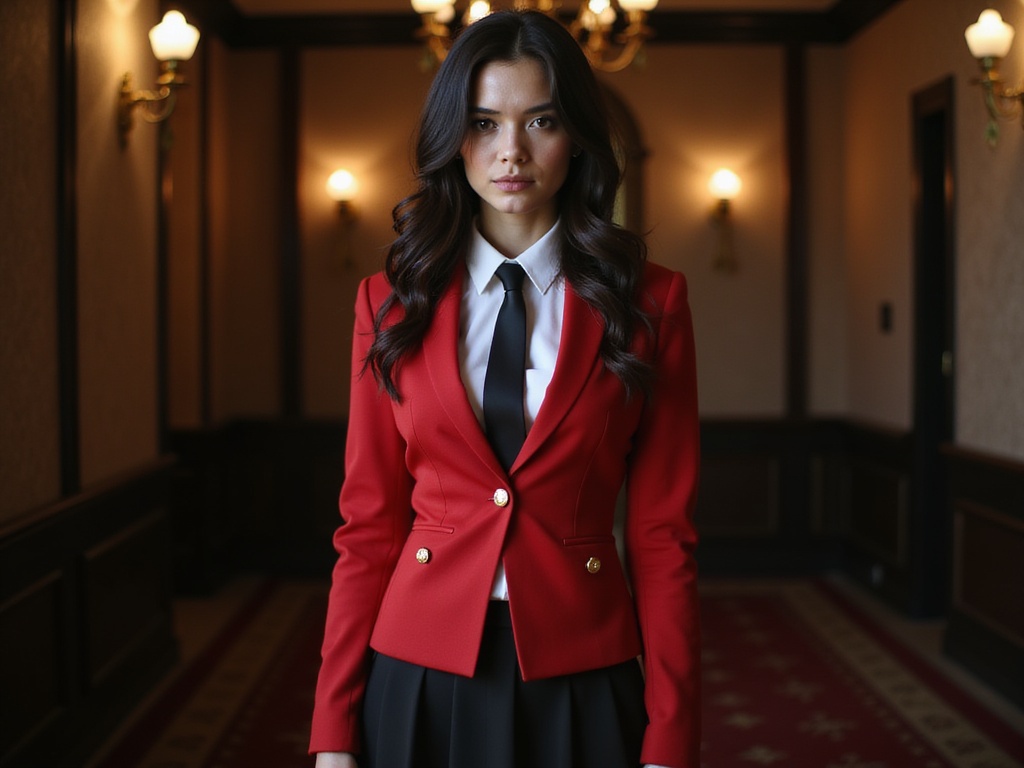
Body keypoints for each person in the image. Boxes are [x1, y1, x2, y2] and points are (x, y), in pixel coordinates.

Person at [309, 9, 700, 768]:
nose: (510, 151)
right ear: (453, 138)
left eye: (541, 121)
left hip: (583, 667)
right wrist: (332, 731)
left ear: (576, 135)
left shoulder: (651, 303)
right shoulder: (387, 303)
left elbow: (664, 537)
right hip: (419, 671)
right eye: (484, 123)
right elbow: (367, 527)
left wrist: (671, 738)